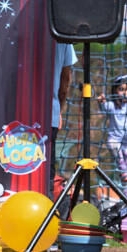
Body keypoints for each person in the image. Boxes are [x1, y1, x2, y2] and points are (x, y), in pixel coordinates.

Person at [97, 74, 127, 192]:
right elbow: (104, 108)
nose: (125, 93)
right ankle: (122, 171)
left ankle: (124, 203)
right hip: (116, 139)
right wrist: (101, 101)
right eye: (121, 89)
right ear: (115, 90)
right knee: (112, 144)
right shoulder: (112, 105)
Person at [49, 39, 77, 197]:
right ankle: (46, 213)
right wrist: (58, 107)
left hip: (13, 110)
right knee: (46, 172)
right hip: (49, 113)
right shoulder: (61, 35)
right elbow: (65, 79)